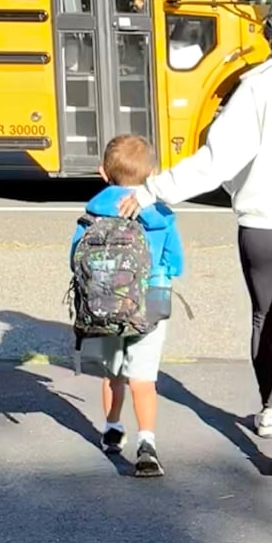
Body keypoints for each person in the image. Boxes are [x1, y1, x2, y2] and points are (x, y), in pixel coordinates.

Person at [119, 0, 272, 475]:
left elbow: (217, 161)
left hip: (263, 225)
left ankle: (269, 410)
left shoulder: (254, 87)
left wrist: (151, 191)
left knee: (264, 319)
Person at [70, 134, 184, 477]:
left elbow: (74, 259)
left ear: (103, 172)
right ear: (153, 174)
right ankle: (146, 442)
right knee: (143, 379)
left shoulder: (91, 213)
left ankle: (112, 428)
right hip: (151, 302)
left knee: (112, 373)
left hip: (104, 302)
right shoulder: (161, 215)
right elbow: (175, 262)